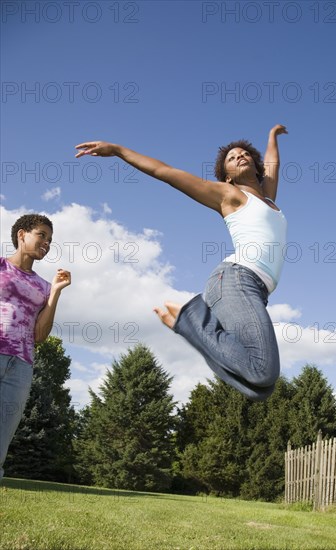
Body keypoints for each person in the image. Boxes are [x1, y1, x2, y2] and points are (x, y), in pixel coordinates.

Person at [75, 124, 287, 401]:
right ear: (227, 178)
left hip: (257, 290)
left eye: (244, 153)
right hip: (237, 280)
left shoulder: (268, 199)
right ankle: (190, 317)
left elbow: (273, 164)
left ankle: (191, 323)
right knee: (262, 371)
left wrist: (271, 135)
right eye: (232, 158)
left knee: (260, 387)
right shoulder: (229, 196)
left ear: (257, 167)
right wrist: (118, 150)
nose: (239, 156)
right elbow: (167, 173)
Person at [0, 214, 71, 481]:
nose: (47, 243)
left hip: (21, 366)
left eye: (50, 239)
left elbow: (39, 335)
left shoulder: (43, 286)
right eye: (41, 235)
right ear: (22, 234)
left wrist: (55, 292)